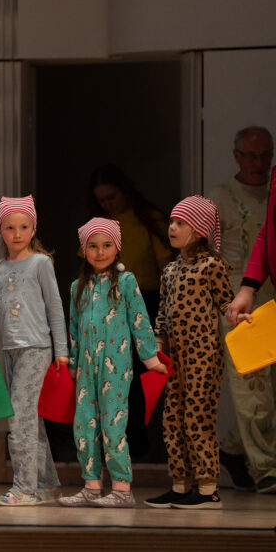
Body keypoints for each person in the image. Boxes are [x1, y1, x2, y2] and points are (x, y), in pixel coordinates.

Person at [58, 218, 165, 508]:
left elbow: (140, 321)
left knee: (112, 425)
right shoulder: (77, 287)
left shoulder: (126, 281)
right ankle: (91, 487)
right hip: (85, 369)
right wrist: (73, 364)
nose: (100, 252)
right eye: (93, 246)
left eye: (107, 245)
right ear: (84, 250)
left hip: (115, 368)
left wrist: (151, 359)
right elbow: (74, 327)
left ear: (117, 248)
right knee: (84, 427)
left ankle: (122, 489)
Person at [145, 196, 234, 510]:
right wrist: (158, 343)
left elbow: (227, 304)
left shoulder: (212, 265)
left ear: (199, 230)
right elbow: (162, 313)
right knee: (173, 420)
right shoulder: (170, 270)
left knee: (198, 418)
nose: (172, 227)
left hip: (203, 356)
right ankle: (180, 486)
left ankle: (208, 489)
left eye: (180, 223)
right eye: (171, 221)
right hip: (175, 359)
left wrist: (240, 316)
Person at [0, 195, 68, 506]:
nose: (17, 234)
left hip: (37, 348)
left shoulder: (41, 263)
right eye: (10, 227)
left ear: (33, 229)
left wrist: (62, 349)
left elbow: (54, 306)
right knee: (31, 420)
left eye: (24, 227)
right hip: (9, 351)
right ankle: (46, 483)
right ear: (0, 230)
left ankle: (25, 488)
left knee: (19, 417)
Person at [86, 164, 172, 458]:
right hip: (108, 304)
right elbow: (86, 270)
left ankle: (144, 444)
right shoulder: (98, 225)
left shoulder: (149, 219)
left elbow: (165, 269)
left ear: (125, 190)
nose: (107, 204)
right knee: (112, 375)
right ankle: (114, 442)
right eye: (101, 200)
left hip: (147, 301)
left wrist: (165, 314)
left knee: (143, 373)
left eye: (111, 197)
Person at [208, 126, 276, 493]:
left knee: (270, 387)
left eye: (266, 155)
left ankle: (234, 448)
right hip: (238, 300)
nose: (259, 163)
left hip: (272, 296)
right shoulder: (220, 199)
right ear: (237, 156)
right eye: (251, 155)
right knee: (253, 384)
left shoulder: (273, 192)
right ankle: (267, 468)